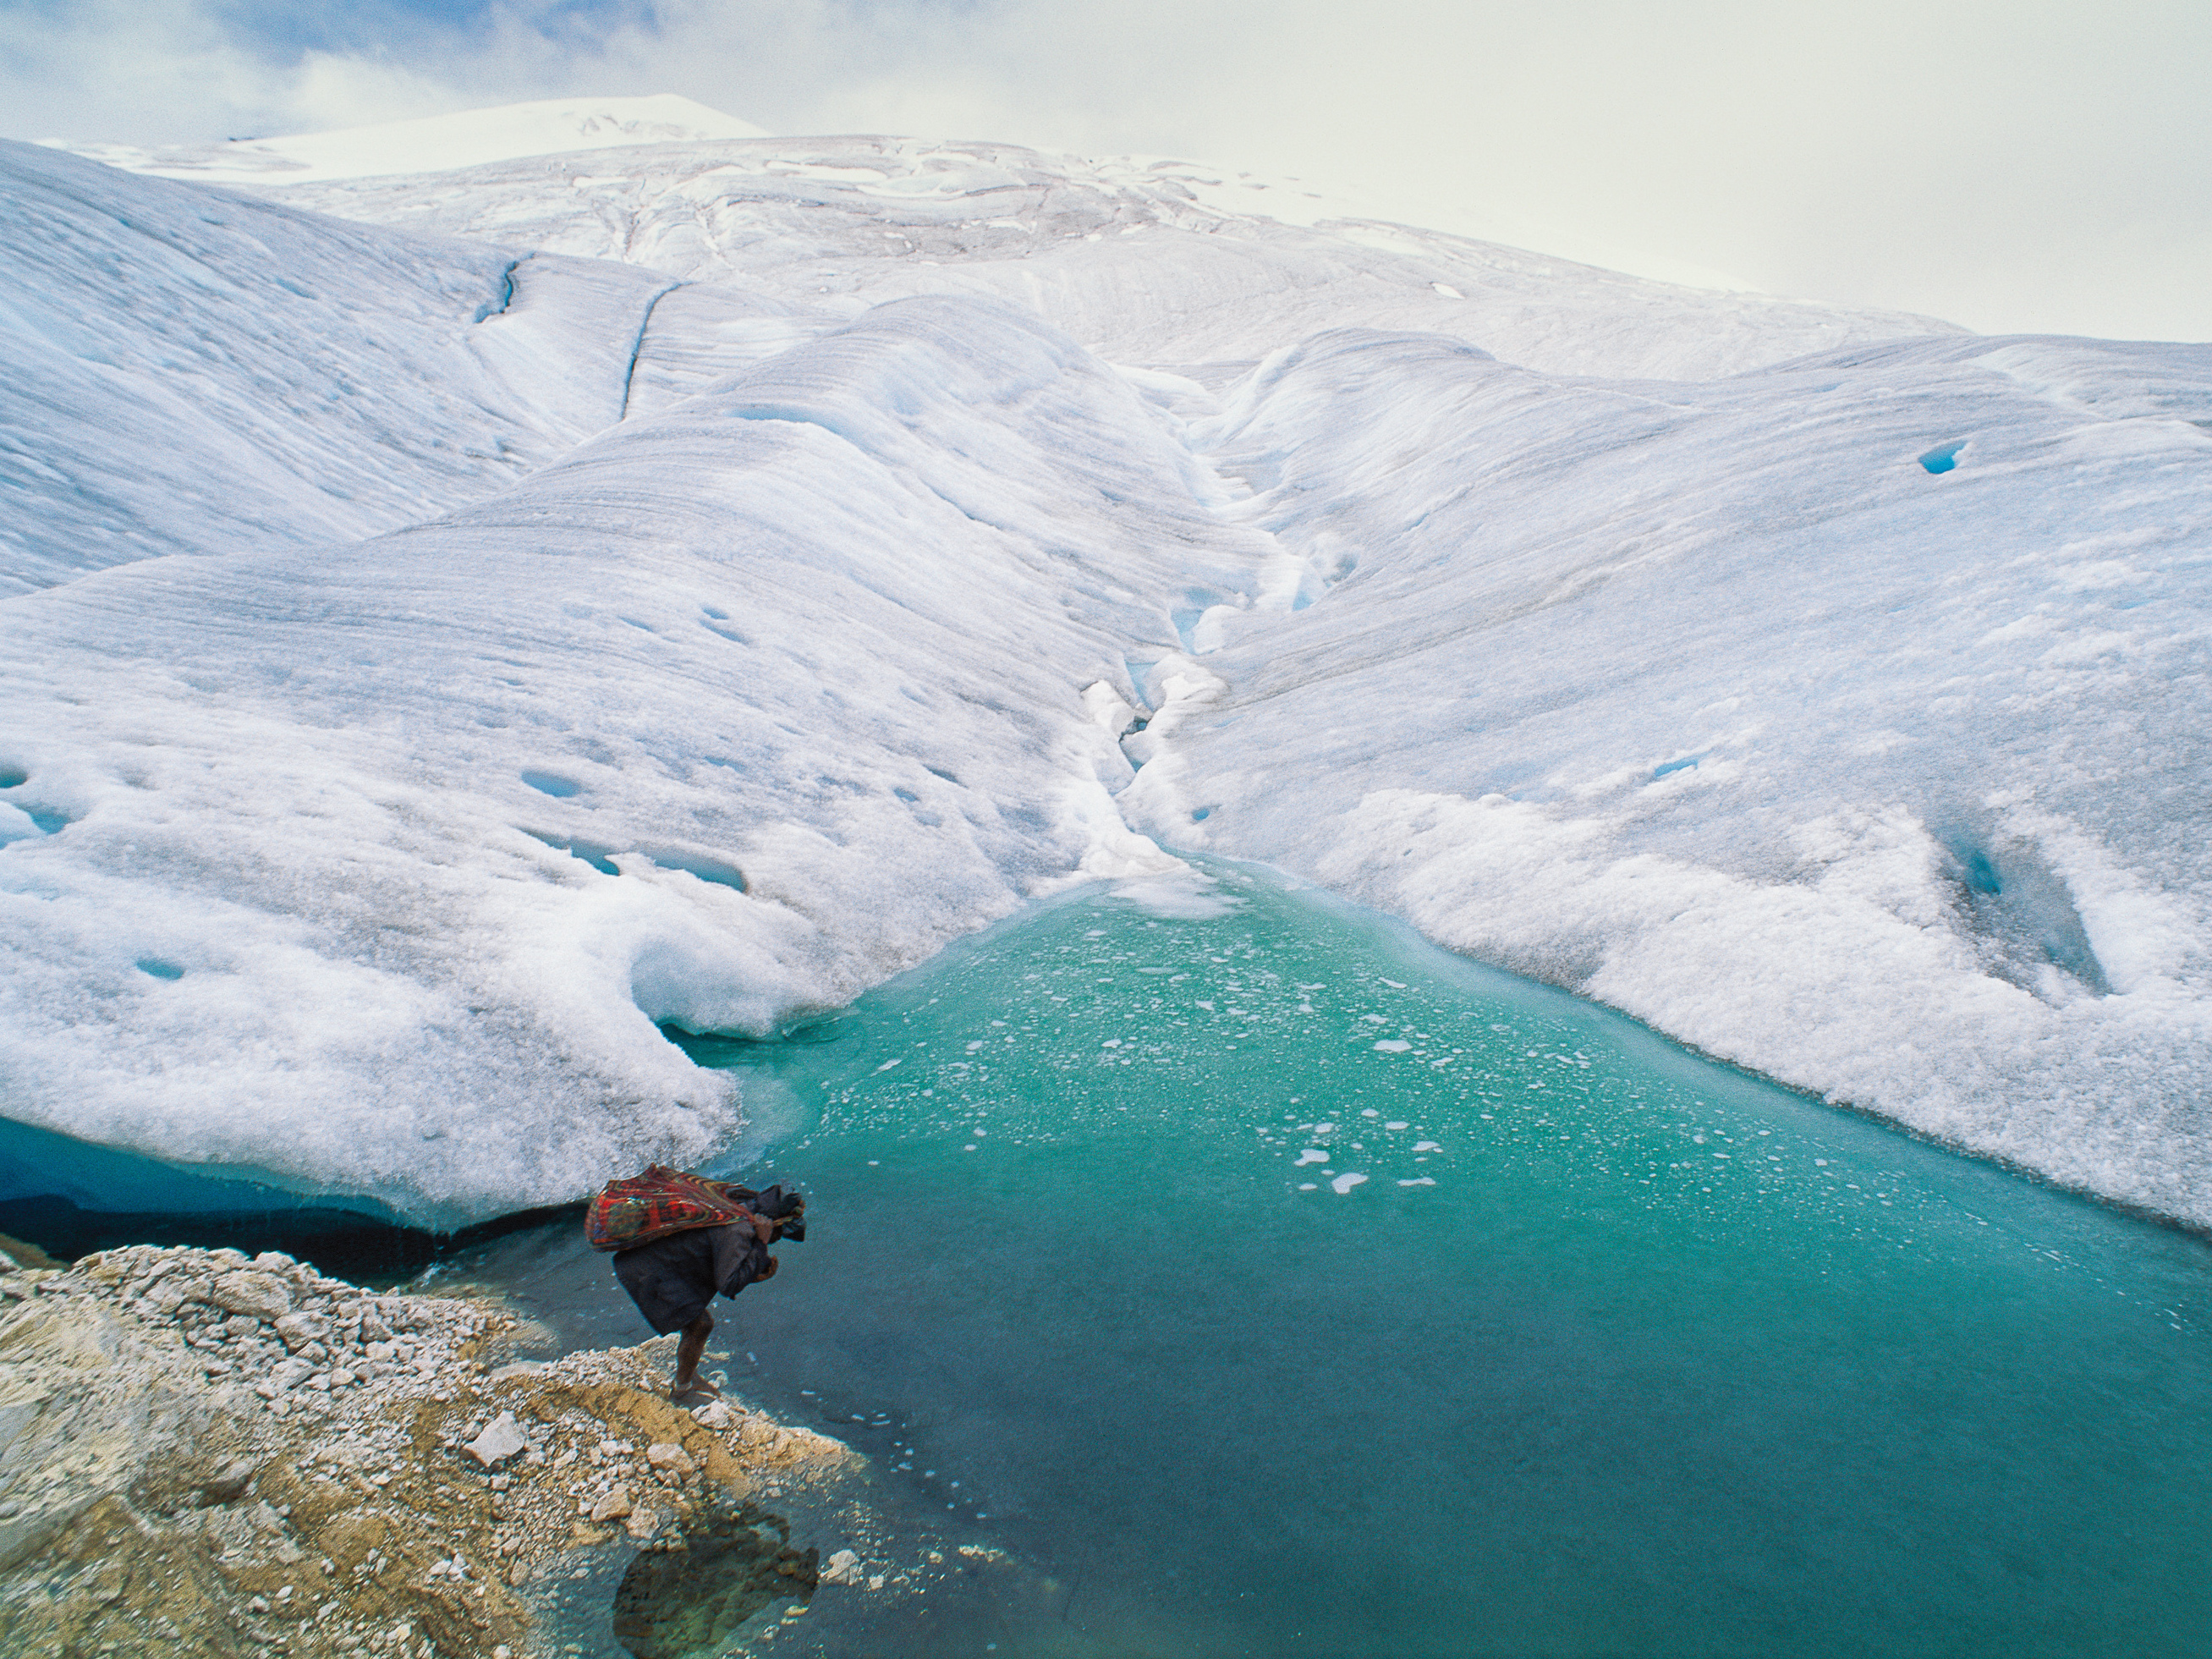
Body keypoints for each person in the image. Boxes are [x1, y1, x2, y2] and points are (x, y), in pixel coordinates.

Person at [610, 1184, 804, 1403]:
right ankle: (682, 1389)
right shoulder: (740, 1229)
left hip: (653, 1259)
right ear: (771, 1223)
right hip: (647, 1270)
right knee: (700, 1325)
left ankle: (687, 1376)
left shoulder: (737, 1206)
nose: (779, 1239)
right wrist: (762, 1243)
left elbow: (722, 1255)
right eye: (779, 1234)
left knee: (697, 1321)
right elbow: (728, 1285)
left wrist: (757, 1261)